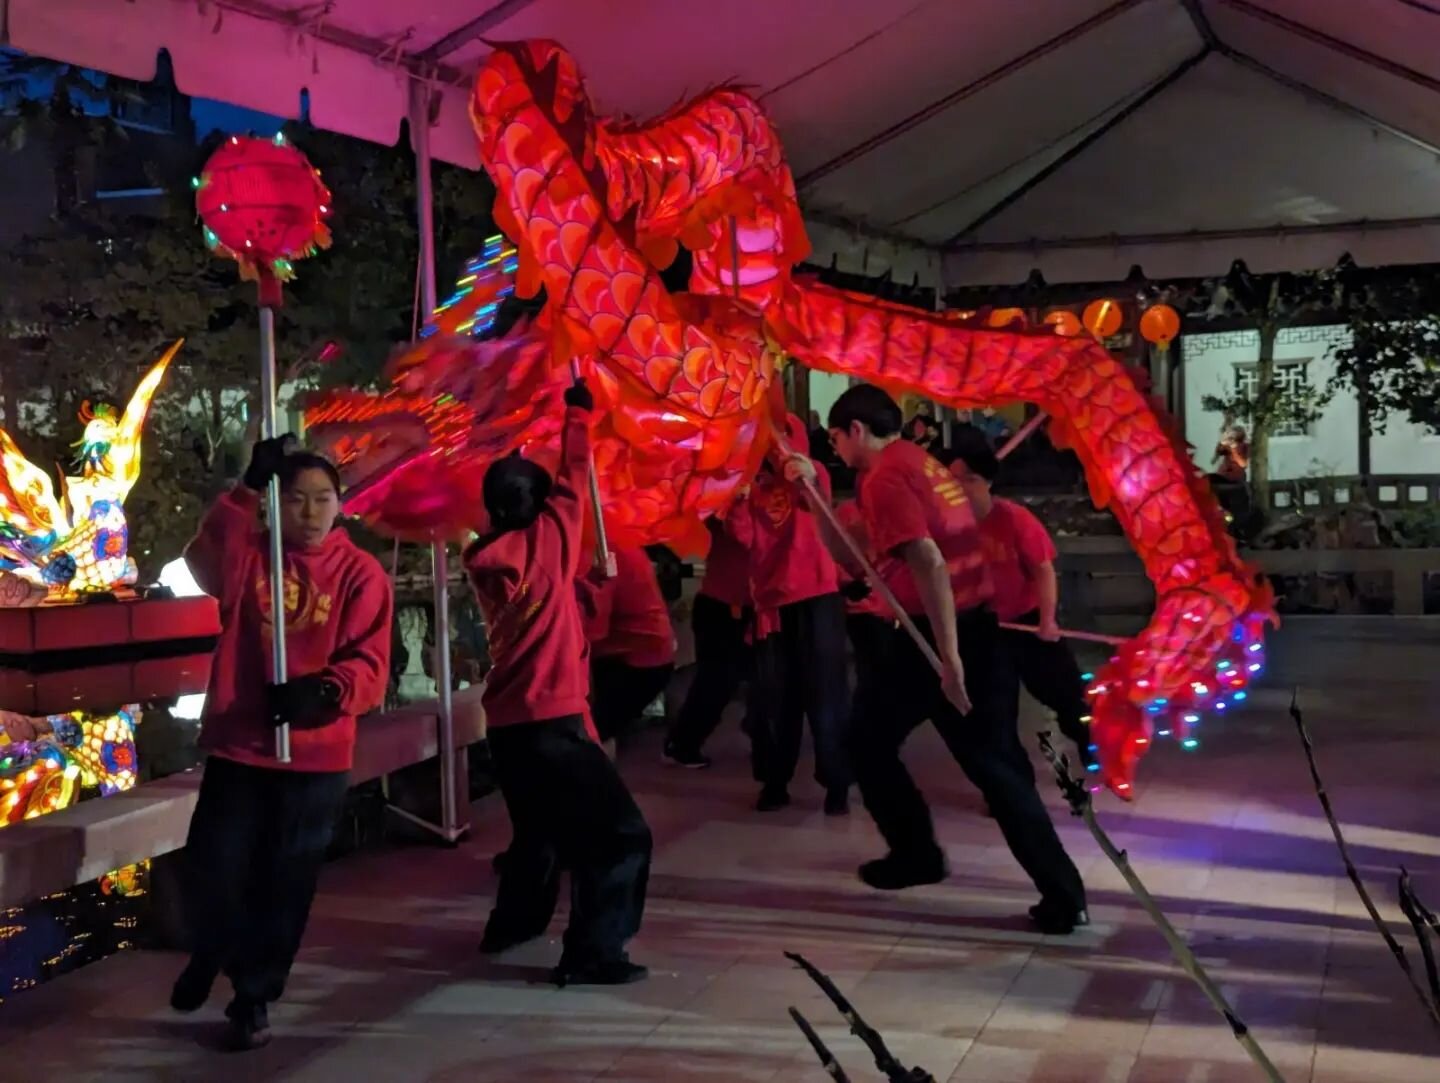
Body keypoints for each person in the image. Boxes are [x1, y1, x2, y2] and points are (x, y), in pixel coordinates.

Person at [793, 384, 1087, 934]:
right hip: (966, 628)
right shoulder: (919, 462)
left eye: (836, 438)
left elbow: (927, 561)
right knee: (986, 765)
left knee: (880, 746)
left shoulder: (884, 477)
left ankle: (918, 854)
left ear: (854, 430)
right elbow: (856, 560)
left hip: (938, 637)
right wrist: (811, 494)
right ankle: (1062, 892)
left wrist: (948, 660)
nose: (836, 449)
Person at [170, 440, 393, 1050]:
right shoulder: (254, 557)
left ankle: (253, 997)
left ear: (341, 506)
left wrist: (324, 692)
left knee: (284, 882)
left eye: (323, 499)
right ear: (277, 506)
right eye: (295, 499)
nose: (311, 512)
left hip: (314, 757)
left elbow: (371, 663)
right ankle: (210, 948)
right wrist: (243, 492)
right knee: (213, 868)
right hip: (240, 746)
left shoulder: (361, 573)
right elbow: (205, 561)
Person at [465, 376, 651, 986]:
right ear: (539, 507)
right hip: (553, 721)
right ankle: (594, 952)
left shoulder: (489, 559)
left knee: (538, 833)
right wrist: (576, 412)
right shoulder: (551, 537)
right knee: (620, 836)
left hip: (512, 726)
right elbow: (577, 473)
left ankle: (512, 927)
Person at [945, 439, 1097, 773]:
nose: (958, 488)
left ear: (987, 481)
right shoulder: (949, 527)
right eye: (951, 480)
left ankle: (1092, 749)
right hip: (983, 629)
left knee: (1067, 696)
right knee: (994, 711)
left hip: (1027, 622)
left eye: (967, 479)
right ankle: (1012, 784)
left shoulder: (1014, 519)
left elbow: (1043, 569)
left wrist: (1047, 620)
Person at [727, 414, 851, 814]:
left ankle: (837, 783)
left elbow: (816, 486)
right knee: (772, 700)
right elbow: (743, 537)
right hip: (771, 606)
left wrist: (803, 467)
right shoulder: (749, 488)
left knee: (825, 694)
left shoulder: (805, 479)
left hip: (817, 597)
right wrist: (737, 495)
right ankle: (774, 782)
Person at [663, 506, 753, 769]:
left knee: (745, 678)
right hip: (724, 605)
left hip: (740, 603)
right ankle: (682, 744)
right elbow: (743, 537)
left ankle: (683, 743)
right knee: (717, 680)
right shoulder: (725, 497)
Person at [578, 547, 677, 756]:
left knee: (591, 732)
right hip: (646, 650)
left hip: (632, 656)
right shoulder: (621, 543)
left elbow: (593, 629)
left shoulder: (602, 552)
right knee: (599, 729)